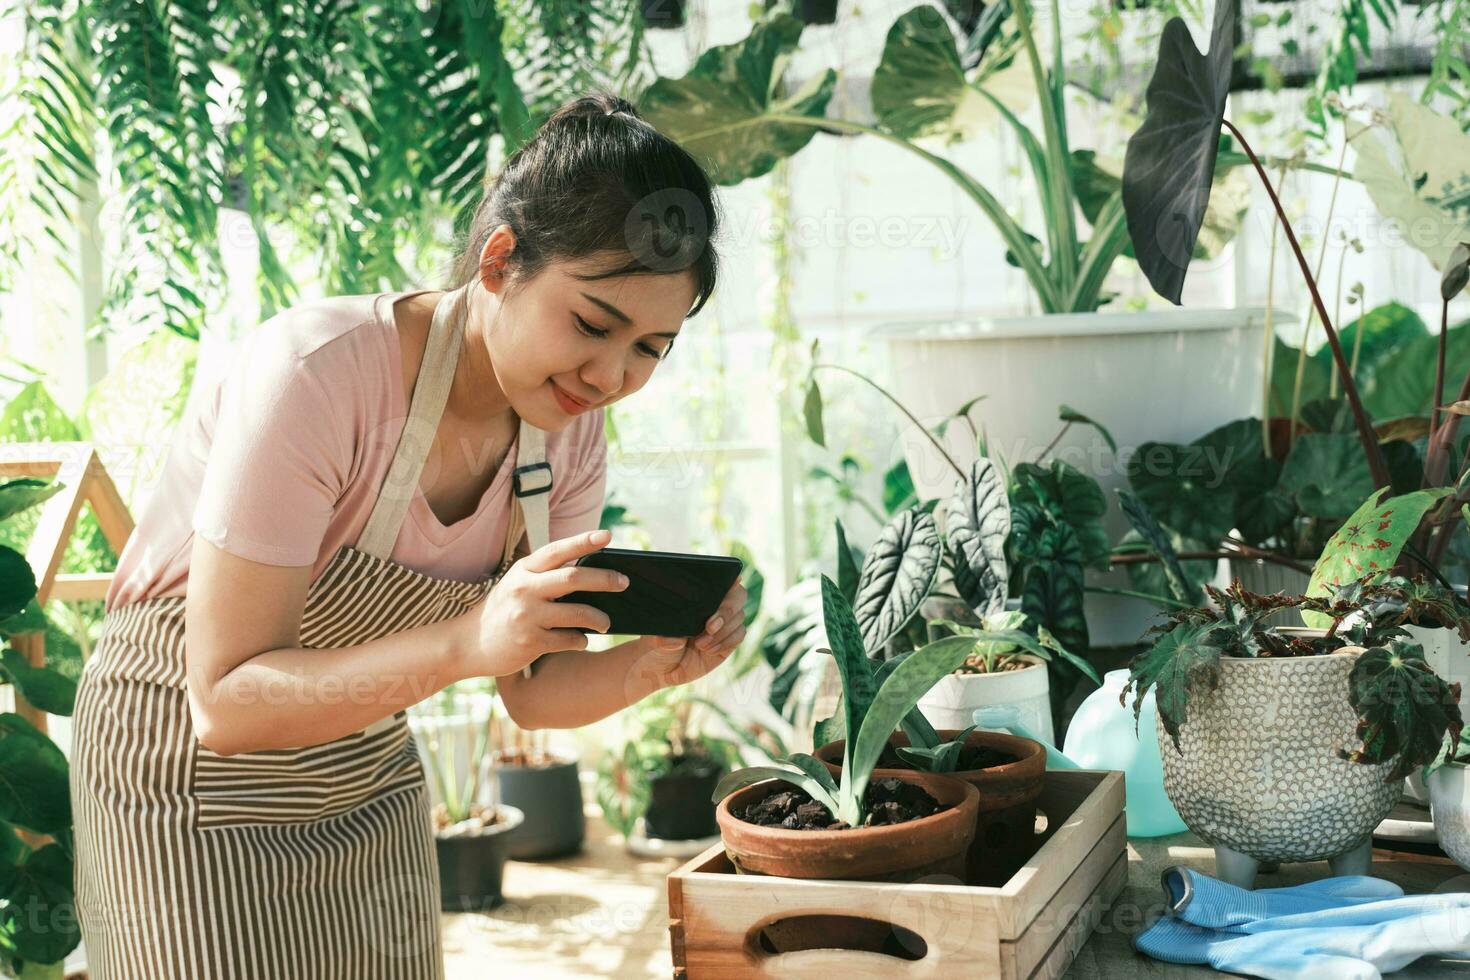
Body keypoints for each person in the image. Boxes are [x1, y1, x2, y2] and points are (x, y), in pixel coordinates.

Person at [68, 90, 744, 978]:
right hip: (180, 772)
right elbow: (225, 701)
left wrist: (647, 667)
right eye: (591, 324)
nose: (611, 375)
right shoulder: (315, 376)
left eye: (651, 349)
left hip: (361, 770)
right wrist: (468, 640)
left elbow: (533, 690)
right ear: (501, 261)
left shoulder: (569, 431)